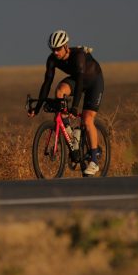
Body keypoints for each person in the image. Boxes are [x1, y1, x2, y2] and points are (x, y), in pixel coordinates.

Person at [28, 29, 105, 175]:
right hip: (77, 79)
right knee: (59, 91)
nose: (55, 52)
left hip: (93, 81)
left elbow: (80, 83)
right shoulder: (52, 60)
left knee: (87, 119)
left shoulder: (78, 56)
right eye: (53, 49)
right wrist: (37, 108)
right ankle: (70, 134)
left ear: (65, 46)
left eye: (58, 49)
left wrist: (75, 107)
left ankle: (94, 161)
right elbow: (47, 84)